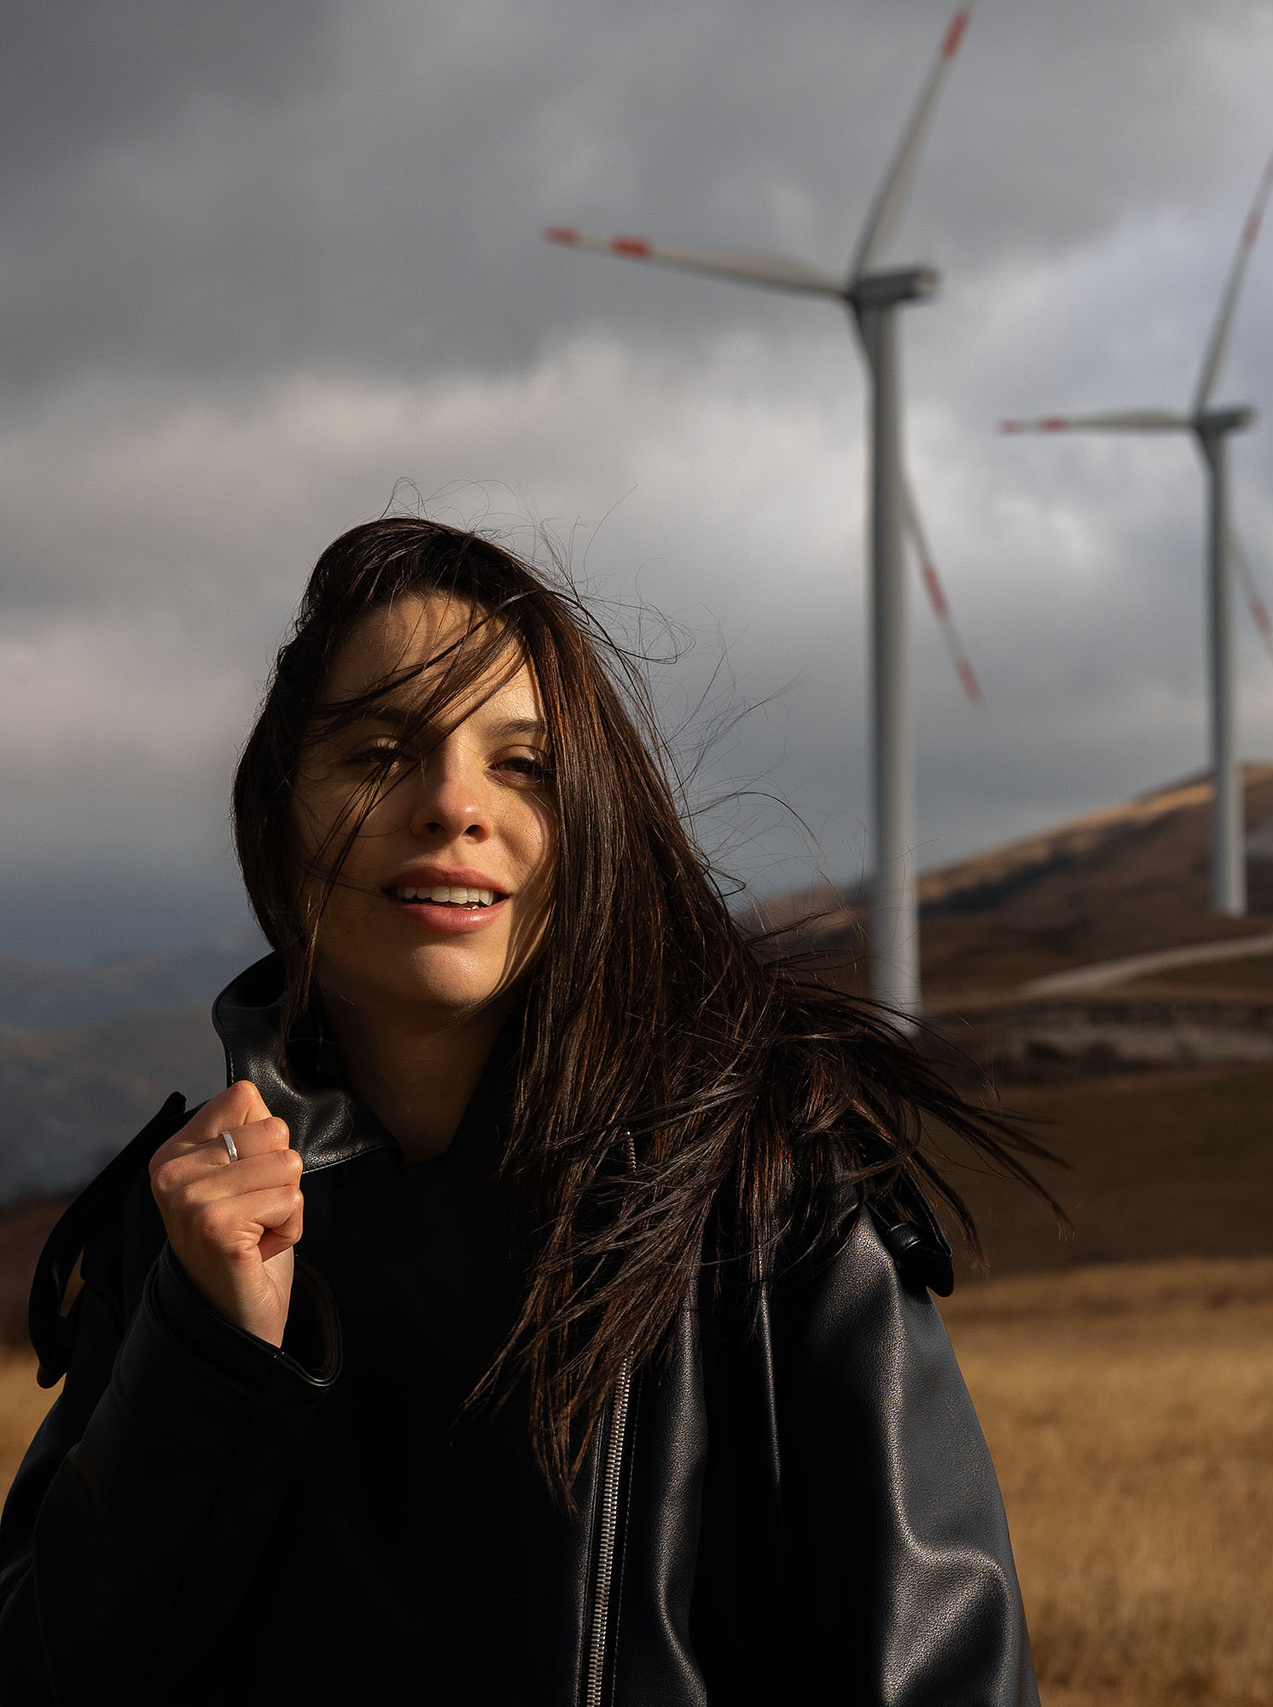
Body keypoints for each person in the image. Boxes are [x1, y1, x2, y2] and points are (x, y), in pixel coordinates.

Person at [0, 517, 1054, 1704]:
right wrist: (206, 1362)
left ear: (589, 831)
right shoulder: (176, 1230)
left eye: (523, 765)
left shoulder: (763, 1190)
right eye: (383, 751)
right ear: (282, 816)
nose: (455, 805)